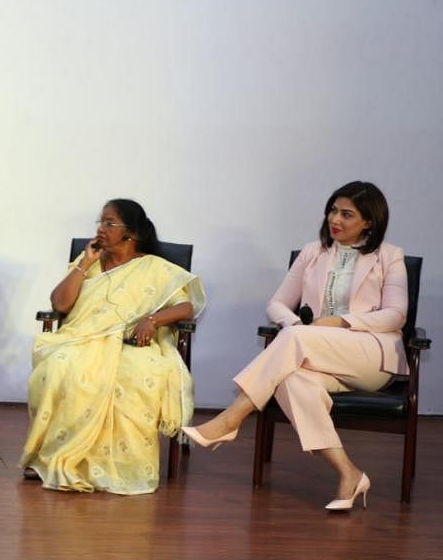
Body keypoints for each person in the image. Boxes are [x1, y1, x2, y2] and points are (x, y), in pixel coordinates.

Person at [183, 181, 406, 511]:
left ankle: (231, 419)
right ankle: (349, 473)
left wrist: (339, 322)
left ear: (368, 221)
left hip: (370, 357)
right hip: (316, 352)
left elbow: (395, 315)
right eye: (333, 210)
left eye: (347, 214)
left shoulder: (389, 257)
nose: (336, 219)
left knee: (297, 340)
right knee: (292, 379)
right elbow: (276, 304)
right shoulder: (313, 252)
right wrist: (296, 327)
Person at [21, 199, 206, 494]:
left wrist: (153, 319)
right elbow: (59, 304)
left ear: (130, 233)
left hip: (134, 344)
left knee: (133, 376)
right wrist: (84, 264)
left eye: (110, 223)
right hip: (82, 338)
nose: (101, 229)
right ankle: (48, 456)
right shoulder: (89, 264)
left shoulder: (155, 268)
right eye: (100, 222)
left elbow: (185, 308)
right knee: (60, 365)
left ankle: (114, 465)